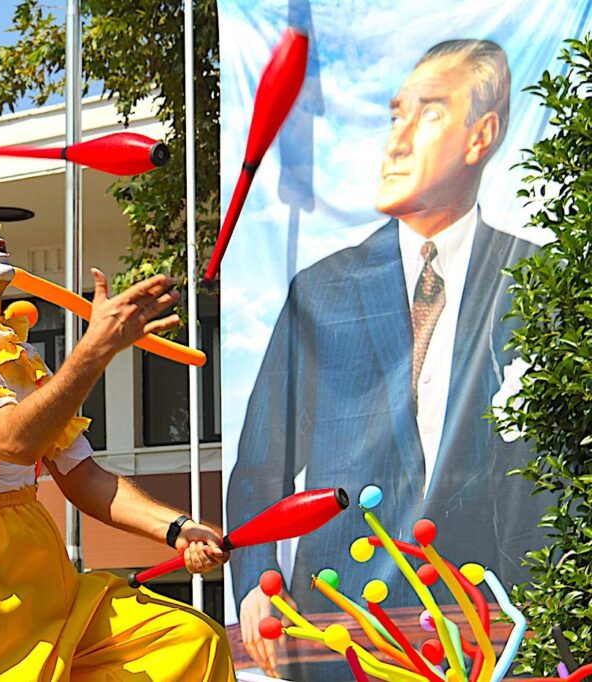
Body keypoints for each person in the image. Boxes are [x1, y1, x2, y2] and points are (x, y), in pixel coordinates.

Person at [228, 39, 549, 678]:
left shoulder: (537, 284)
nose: (396, 140)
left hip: (502, 630)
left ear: (481, 135)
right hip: (344, 628)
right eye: (395, 115)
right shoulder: (321, 291)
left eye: (428, 113)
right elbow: (260, 468)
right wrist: (257, 581)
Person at [0, 183, 235, 681]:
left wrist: (177, 528)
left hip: (42, 564)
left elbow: (84, 477)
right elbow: (10, 440)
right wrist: (95, 351)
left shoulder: (20, 359)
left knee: (188, 645)